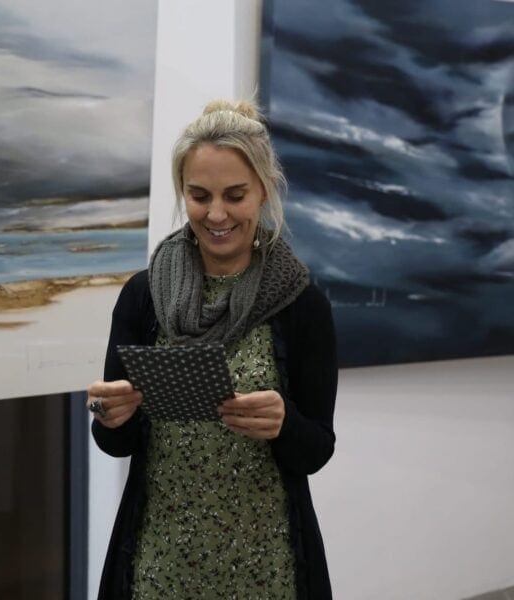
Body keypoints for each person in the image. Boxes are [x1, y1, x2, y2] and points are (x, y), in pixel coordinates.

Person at [87, 99, 338, 599]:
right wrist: (107, 414)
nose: (216, 214)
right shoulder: (144, 295)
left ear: (263, 190)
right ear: (183, 192)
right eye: (199, 195)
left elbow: (317, 449)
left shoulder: (301, 304)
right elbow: (116, 442)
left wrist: (284, 423)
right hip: (159, 564)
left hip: (267, 566)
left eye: (235, 195)